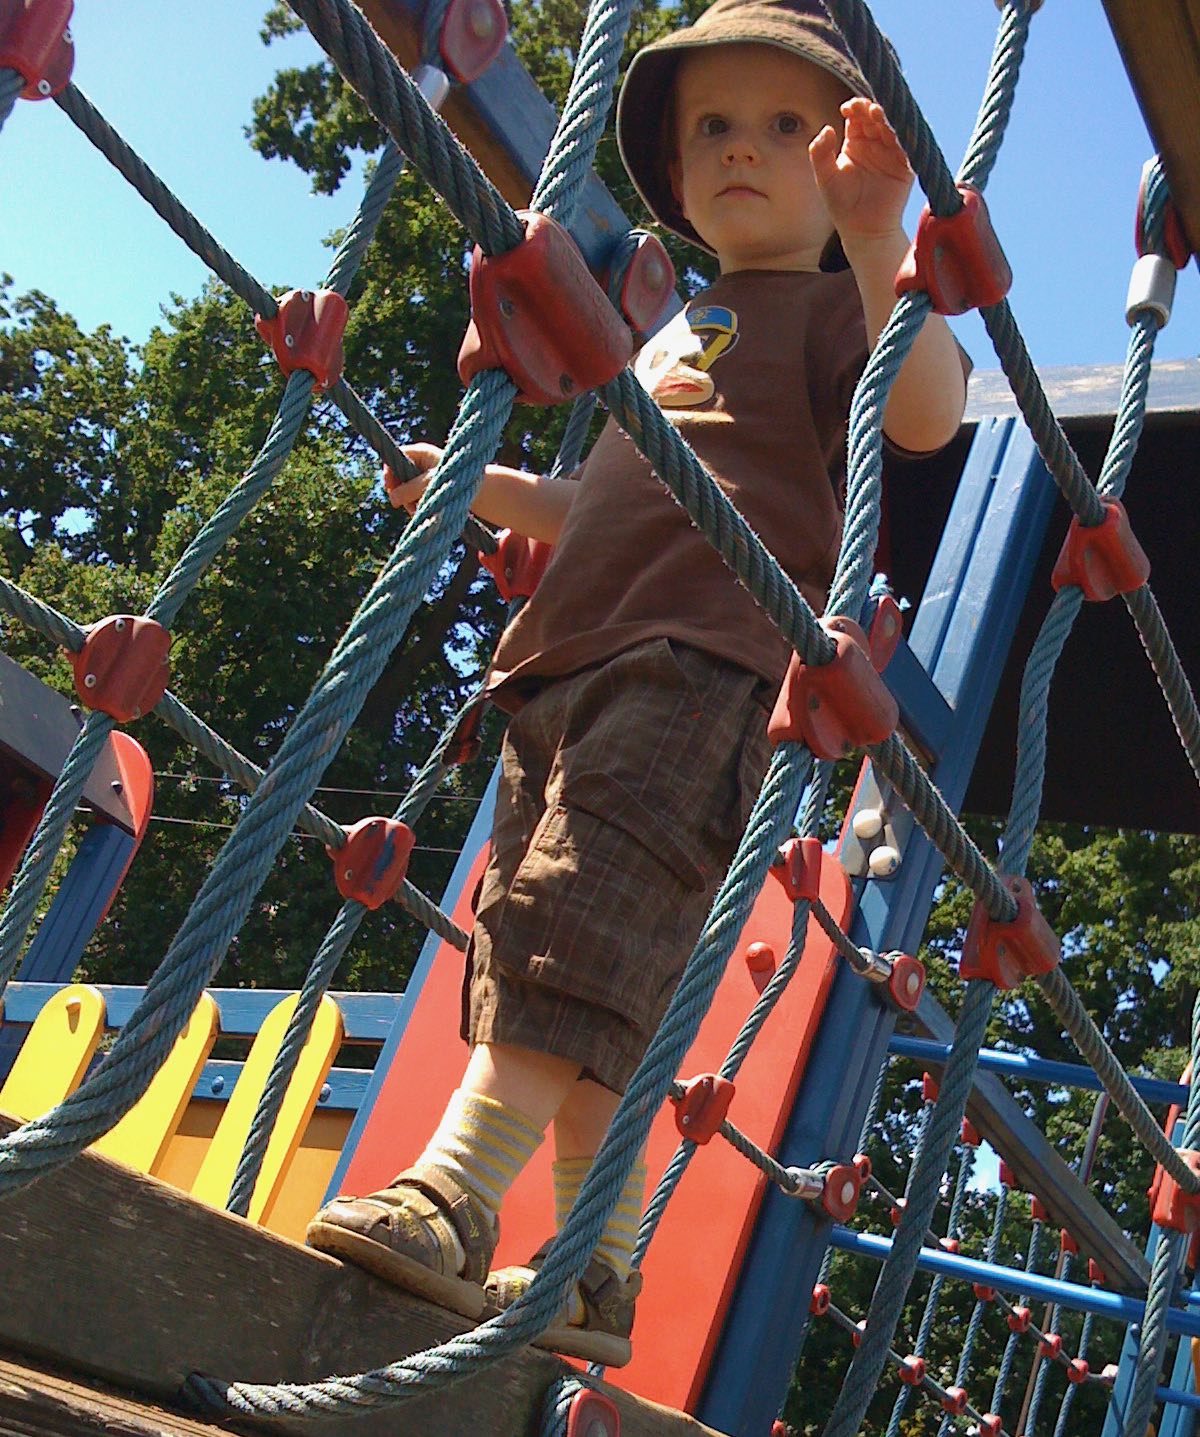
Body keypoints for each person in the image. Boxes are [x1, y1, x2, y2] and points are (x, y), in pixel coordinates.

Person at [307, 0, 967, 1367]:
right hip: (565, 659)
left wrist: (877, 234)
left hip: (708, 663)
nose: (745, 149)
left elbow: (931, 415)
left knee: (578, 914)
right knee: (572, 956)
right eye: (713, 125)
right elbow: (605, 496)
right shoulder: (679, 325)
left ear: (846, 156)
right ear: (673, 168)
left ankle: (454, 1188)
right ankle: (599, 1262)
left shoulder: (843, 305)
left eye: (790, 126)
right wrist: (476, 484)